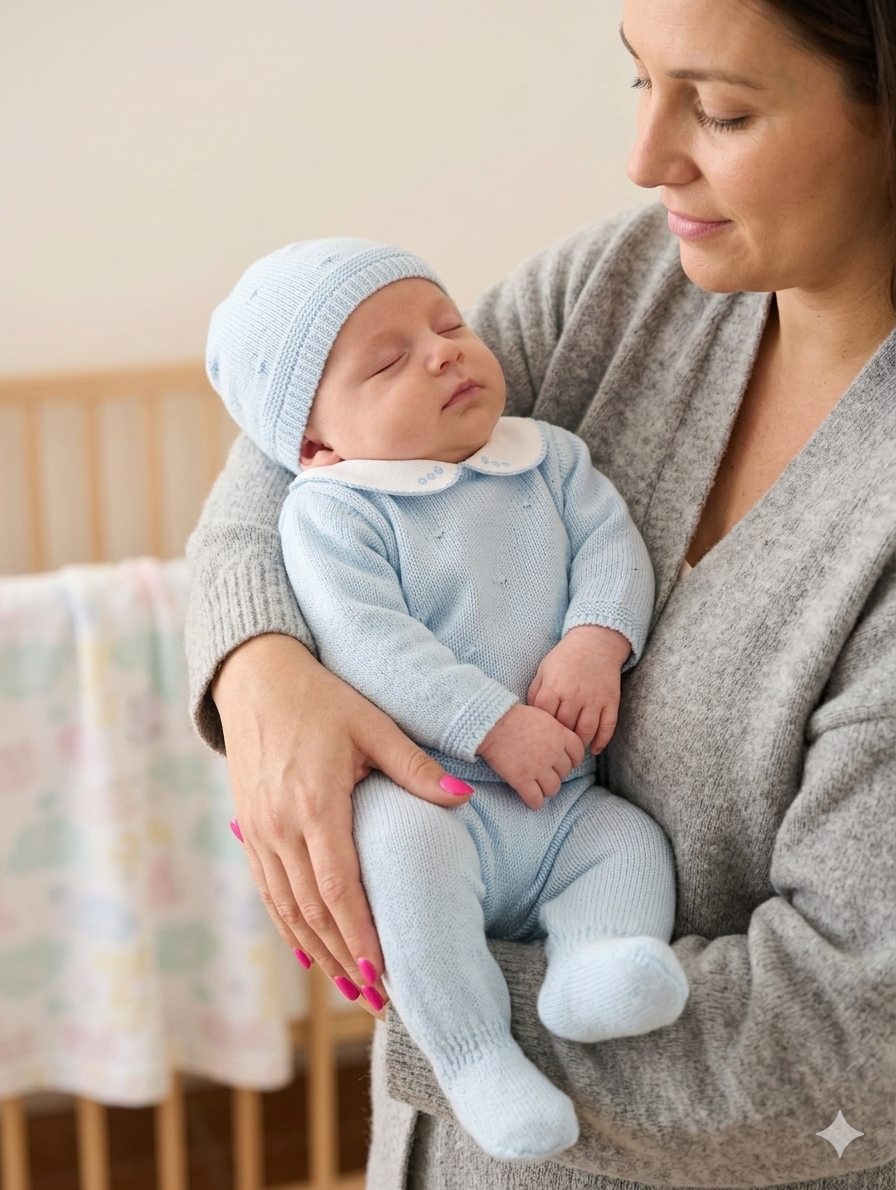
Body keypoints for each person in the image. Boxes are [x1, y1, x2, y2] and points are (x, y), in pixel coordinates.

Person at [185, 0, 895, 1185]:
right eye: (637, 81)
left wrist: (437, 980)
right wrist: (261, 663)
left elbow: (844, 1031)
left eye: (719, 109)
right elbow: (292, 438)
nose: (642, 158)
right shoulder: (624, 285)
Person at [204, 236, 689, 1161]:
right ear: (316, 443)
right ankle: (472, 1056)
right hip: (442, 791)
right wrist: (491, 723)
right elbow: (368, 643)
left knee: (627, 844)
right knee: (400, 851)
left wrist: (596, 641)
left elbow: (612, 547)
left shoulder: (547, 457)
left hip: (564, 803)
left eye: (448, 324)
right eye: (388, 361)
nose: (442, 352)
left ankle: (592, 968)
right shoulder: (334, 509)